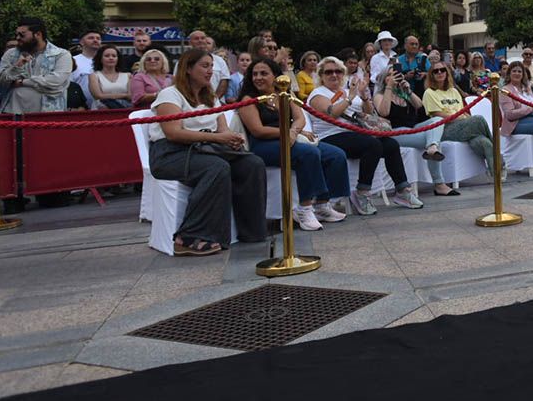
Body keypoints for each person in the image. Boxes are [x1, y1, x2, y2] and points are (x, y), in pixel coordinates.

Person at [148, 48, 267, 255]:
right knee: (216, 167)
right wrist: (218, 138)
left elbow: (223, 129)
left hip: (206, 149)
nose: (210, 71)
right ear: (188, 69)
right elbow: (173, 133)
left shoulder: (210, 97)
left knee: (252, 163)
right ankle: (190, 237)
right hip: (171, 154)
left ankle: (251, 230)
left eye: (211, 66)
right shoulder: (169, 94)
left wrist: (231, 139)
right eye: (205, 66)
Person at [238, 57, 348, 231]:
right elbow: (257, 130)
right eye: (255, 74)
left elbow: (299, 117)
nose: (258, 77)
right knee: (308, 154)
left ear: (275, 76)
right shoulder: (248, 99)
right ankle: (304, 208)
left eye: (263, 73)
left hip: (291, 137)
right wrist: (286, 132)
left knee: (335, 154)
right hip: (264, 143)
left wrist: (294, 131)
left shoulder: (283, 93)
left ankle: (322, 204)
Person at [306, 56, 422, 211]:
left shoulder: (347, 91)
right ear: (321, 75)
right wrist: (351, 97)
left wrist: (365, 97)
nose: (334, 75)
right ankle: (362, 192)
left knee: (391, 145)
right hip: (331, 135)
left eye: (338, 71)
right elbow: (332, 113)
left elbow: (369, 114)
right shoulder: (318, 93)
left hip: (355, 134)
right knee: (372, 144)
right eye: (328, 72)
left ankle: (402, 190)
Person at [375, 68, 461, 197]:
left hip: (413, 128)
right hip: (395, 132)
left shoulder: (402, 93)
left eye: (396, 74)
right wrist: (389, 87)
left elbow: (420, 105)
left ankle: (432, 147)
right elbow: (384, 112)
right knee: (435, 141)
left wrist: (408, 91)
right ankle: (439, 184)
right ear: (384, 79)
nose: (394, 77)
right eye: (390, 75)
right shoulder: (380, 95)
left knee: (437, 120)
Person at [421, 62, 499, 180]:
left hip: (461, 125)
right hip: (444, 129)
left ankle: (496, 172)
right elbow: (438, 115)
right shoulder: (429, 93)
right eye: (435, 71)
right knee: (479, 119)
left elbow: (463, 111)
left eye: (442, 70)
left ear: (447, 73)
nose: (439, 73)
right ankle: (499, 156)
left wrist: (467, 118)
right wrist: (463, 119)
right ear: (431, 75)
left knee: (482, 141)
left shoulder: (454, 91)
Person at [0, 18, 73, 113]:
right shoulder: (11, 54)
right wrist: (17, 67)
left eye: (22, 35)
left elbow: (56, 81)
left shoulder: (61, 54)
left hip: (48, 114)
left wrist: (22, 82)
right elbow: (0, 81)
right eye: (16, 34)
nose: (18, 38)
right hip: (12, 113)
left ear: (38, 34)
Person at [72, 29, 102, 108]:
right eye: (91, 38)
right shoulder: (73, 60)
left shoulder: (107, 61)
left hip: (104, 107)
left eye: (98, 38)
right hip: (80, 108)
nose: (95, 40)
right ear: (81, 42)